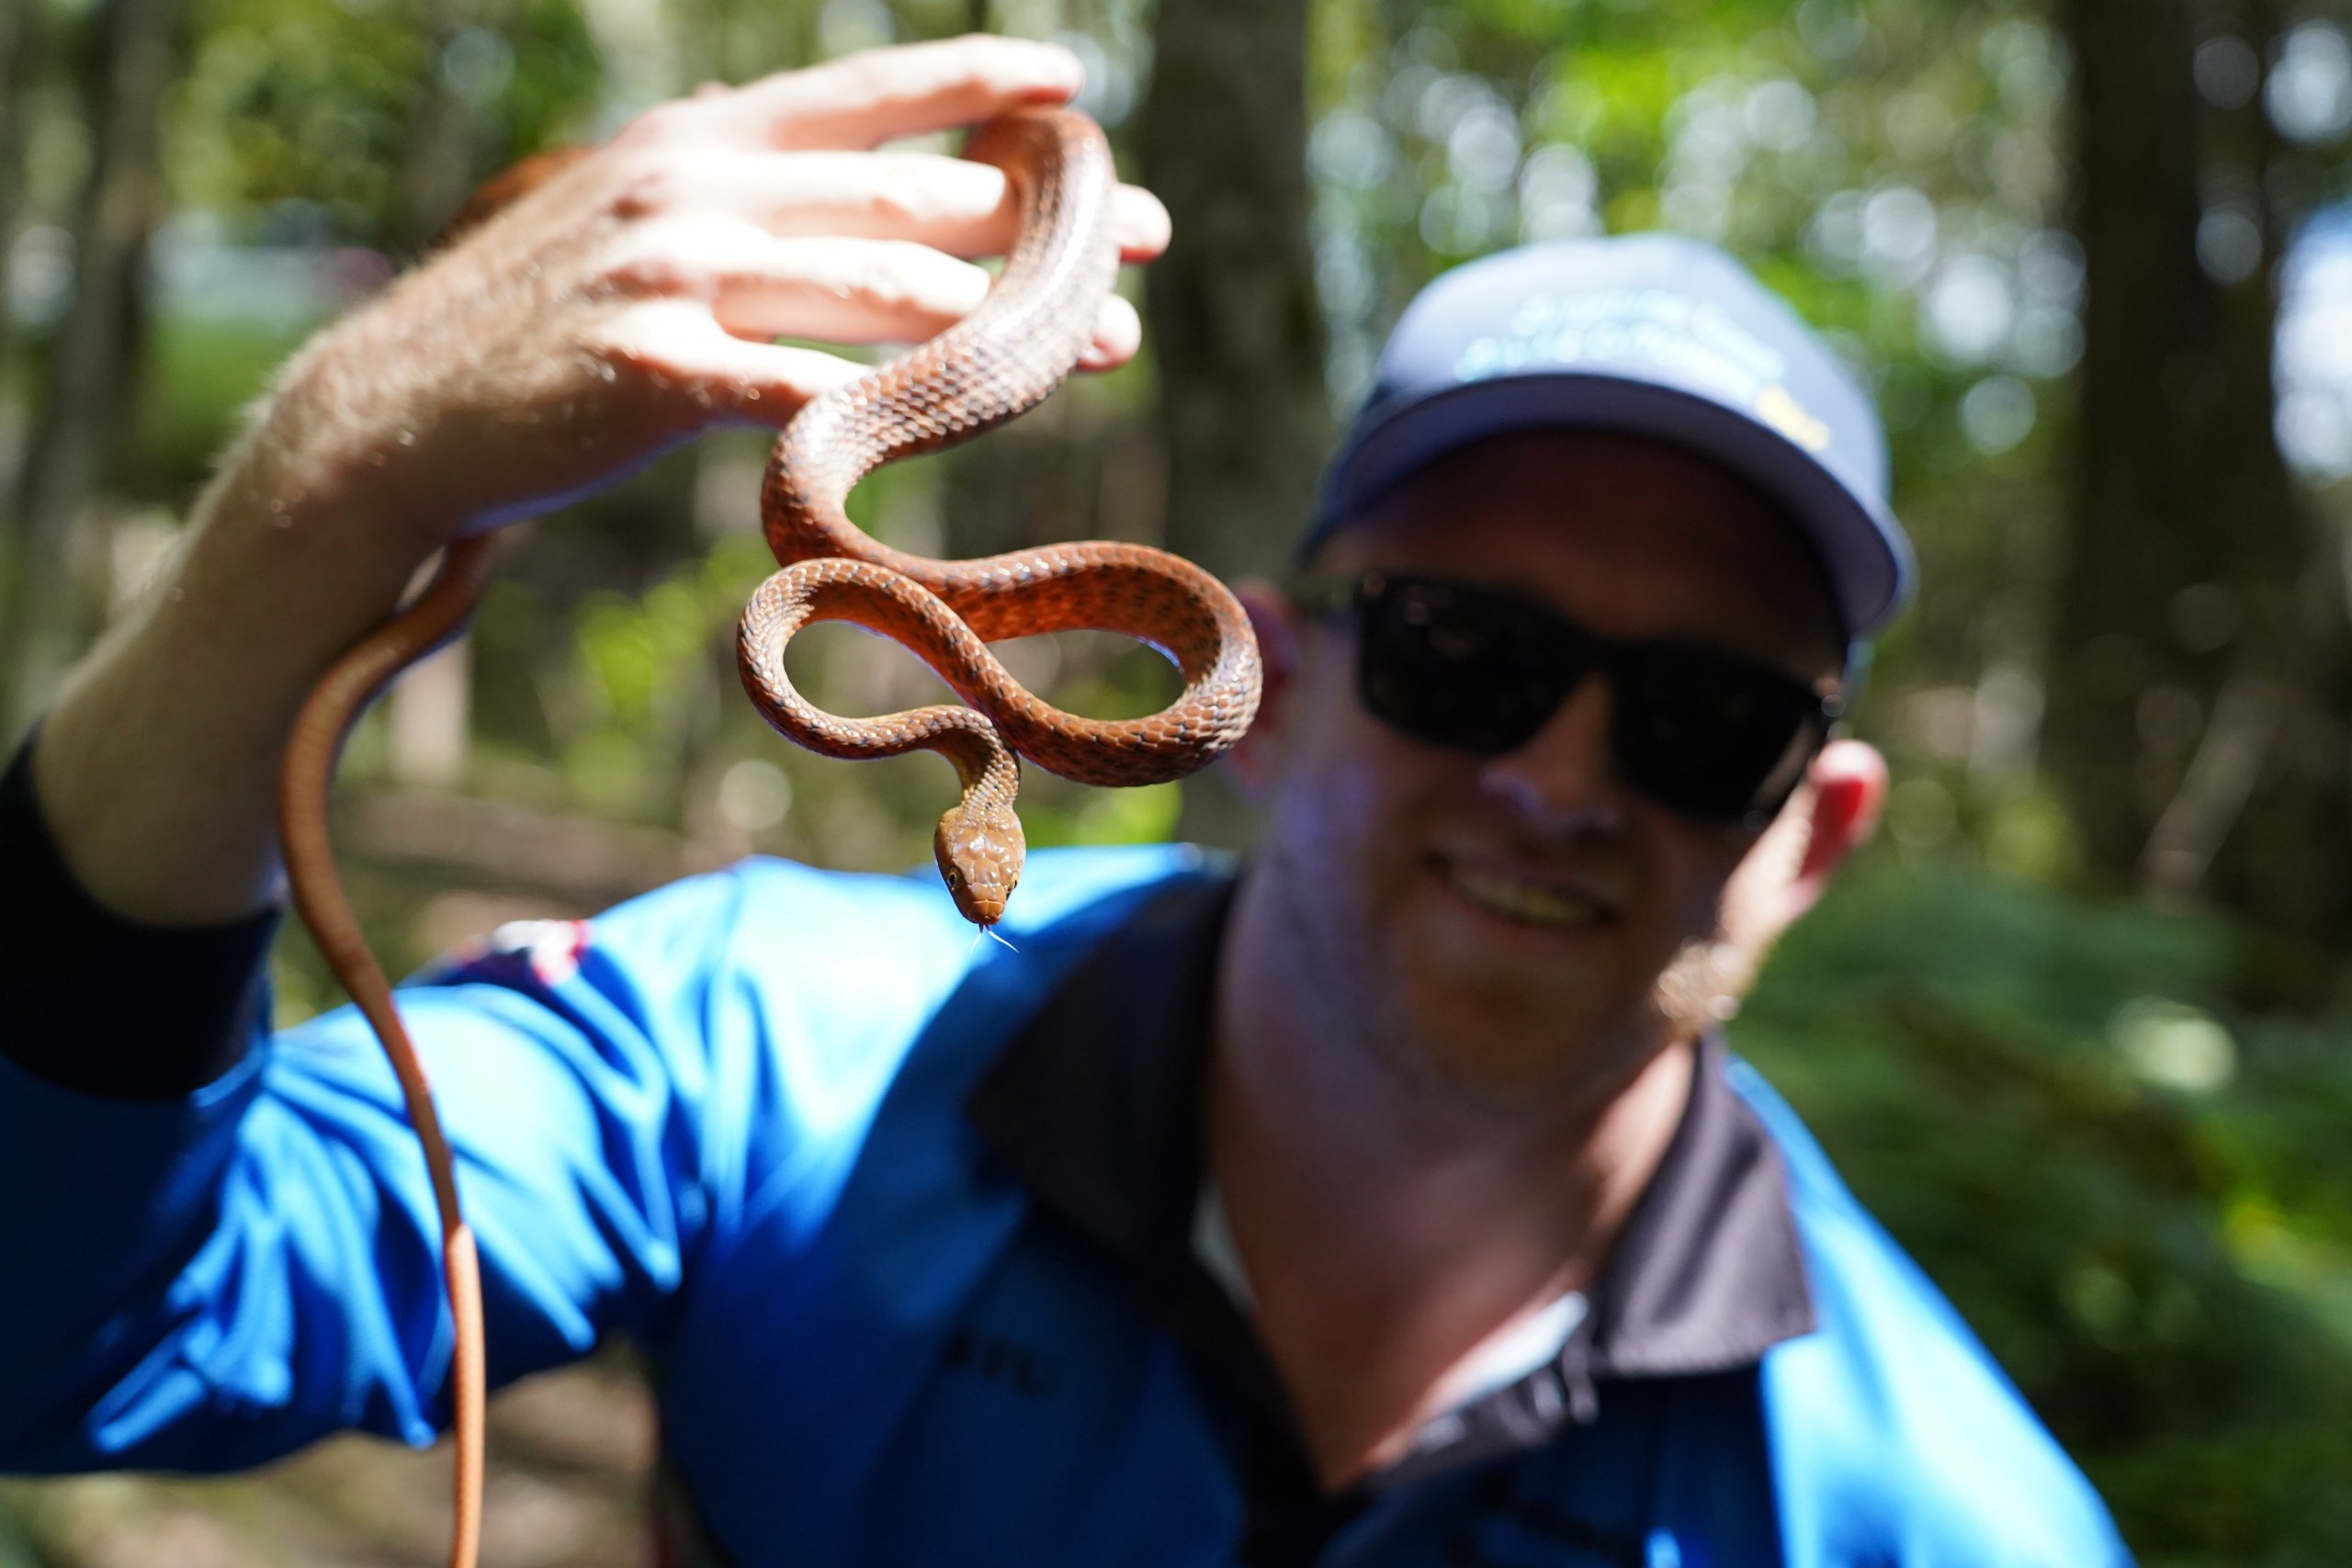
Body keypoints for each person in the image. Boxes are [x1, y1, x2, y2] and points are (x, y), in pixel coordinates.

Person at [0, 33, 2130, 1568]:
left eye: (1695, 720)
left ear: (1814, 829)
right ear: (1266, 692)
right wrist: (323, 495)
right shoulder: (766, 1050)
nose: (1553, 771)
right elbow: (62, 1332)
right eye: (1456, 653)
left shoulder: (1936, 1514)